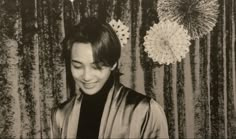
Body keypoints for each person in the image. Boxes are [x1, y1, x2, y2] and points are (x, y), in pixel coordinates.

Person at [50, 17, 169, 139]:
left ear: (113, 64)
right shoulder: (61, 115)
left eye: (96, 66)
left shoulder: (145, 111)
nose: (86, 76)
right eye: (77, 66)